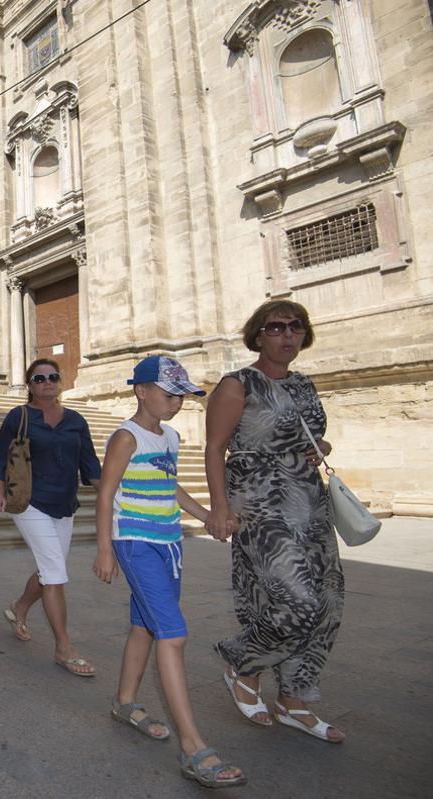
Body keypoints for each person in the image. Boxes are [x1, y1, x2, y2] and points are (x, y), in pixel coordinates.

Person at [92, 356, 246, 789]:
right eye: (168, 392)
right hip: (136, 542)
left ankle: (124, 702)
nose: (176, 401)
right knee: (172, 634)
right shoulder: (126, 437)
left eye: (182, 394)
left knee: (145, 626)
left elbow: (170, 485)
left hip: (168, 543)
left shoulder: (172, 437)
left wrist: (207, 516)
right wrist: (105, 549)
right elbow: (106, 494)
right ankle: (194, 746)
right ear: (141, 390)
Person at [204, 300, 345, 743]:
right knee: (296, 601)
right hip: (260, 504)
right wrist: (219, 507)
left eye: (296, 327)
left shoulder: (305, 386)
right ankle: (241, 663)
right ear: (258, 335)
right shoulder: (236, 384)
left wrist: (319, 445)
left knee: (326, 603)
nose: (287, 335)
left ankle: (295, 699)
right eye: (276, 327)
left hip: (309, 501)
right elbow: (214, 449)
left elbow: (307, 434)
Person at [0, 358, 101, 677]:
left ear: (60, 381)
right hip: (28, 502)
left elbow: (90, 465)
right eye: (39, 379)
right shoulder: (19, 416)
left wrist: (113, 492)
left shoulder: (77, 420)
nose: (47, 382)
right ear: (30, 385)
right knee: (54, 573)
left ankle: (19, 607)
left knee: (50, 569)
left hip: (64, 504)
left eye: (53, 376)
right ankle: (64, 647)